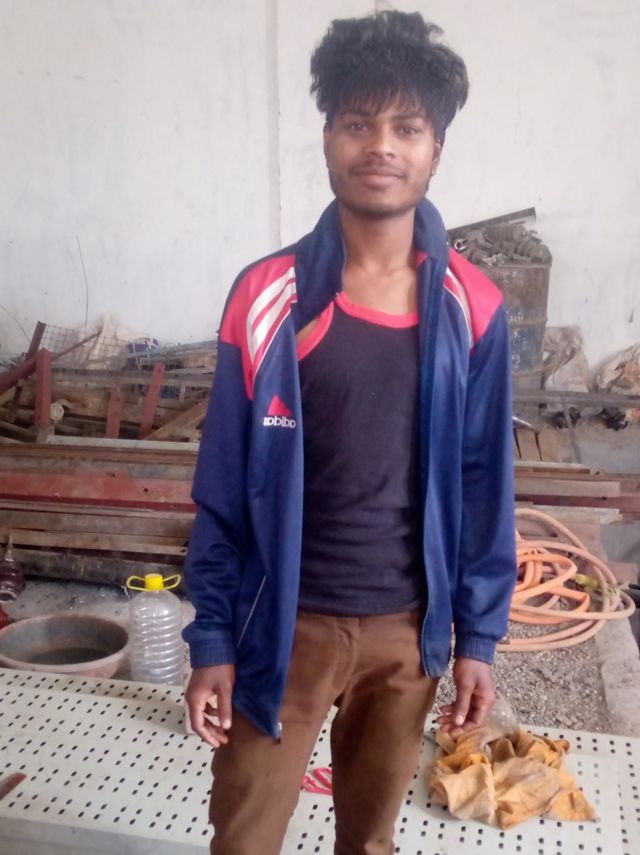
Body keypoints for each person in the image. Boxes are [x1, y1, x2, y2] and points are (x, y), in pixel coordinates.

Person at [183, 9, 517, 855]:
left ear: (436, 149)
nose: (382, 146)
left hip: (407, 638)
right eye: (359, 123)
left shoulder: (474, 310)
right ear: (328, 137)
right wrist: (212, 636)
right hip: (279, 626)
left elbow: (484, 487)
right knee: (242, 838)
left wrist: (476, 638)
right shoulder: (266, 298)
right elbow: (221, 484)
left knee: (369, 843)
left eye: (407, 127)